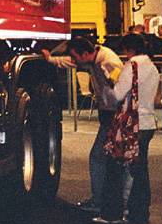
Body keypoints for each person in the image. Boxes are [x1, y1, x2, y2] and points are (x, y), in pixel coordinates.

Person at [42, 37, 124, 213]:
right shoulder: (95, 58)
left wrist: (109, 104)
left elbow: (119, 90)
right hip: (110, 114)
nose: (74, 61)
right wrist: (51, 59)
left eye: (76, 56)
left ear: (85, 53)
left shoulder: (108, 63)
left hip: (113, 115)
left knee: (98, 157)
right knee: (107, 157)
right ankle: (108, 200)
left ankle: (101, 201)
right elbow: (69, 62)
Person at [95, 33, 160, 224]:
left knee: (114, 165)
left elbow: (117, 95)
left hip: (131, 125)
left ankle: (112, 213)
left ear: (129, 49)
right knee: (140, 170)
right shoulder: (152, 67)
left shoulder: (132, 66)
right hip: (147, 123)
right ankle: (139, 213)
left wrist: (107, 86)